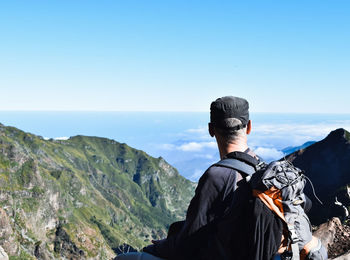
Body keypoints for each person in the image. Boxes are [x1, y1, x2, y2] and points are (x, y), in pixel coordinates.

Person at [116, 96, 260, 260]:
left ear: (211, 129)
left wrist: (155, 248)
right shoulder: (263, 169)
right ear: (249, 127)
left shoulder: (217, 176)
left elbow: (189, 243)